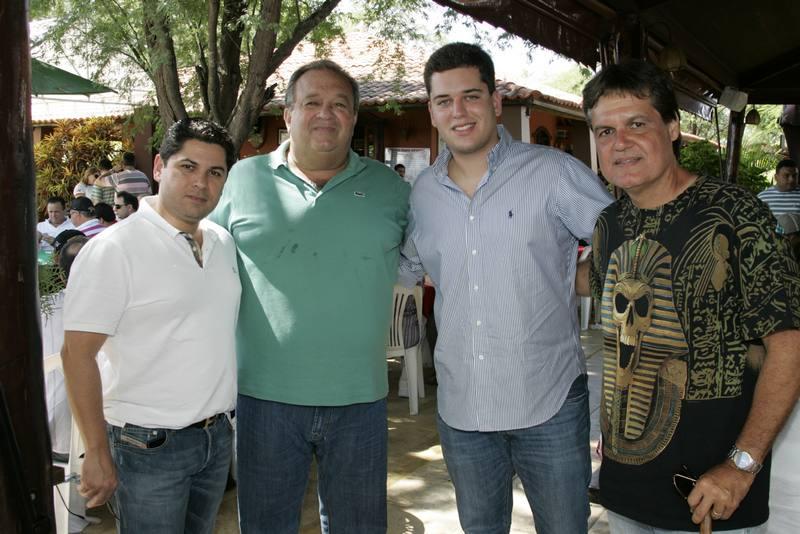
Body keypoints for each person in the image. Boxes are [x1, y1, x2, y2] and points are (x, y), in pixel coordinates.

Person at [398, 43, 613, 533]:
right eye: (444, 100)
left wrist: (579, 276)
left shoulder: (553, 173)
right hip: (463, 410)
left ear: (495, 102)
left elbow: (623, 244)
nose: (459, 111)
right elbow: (407, 267)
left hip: (549, 403)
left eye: (471, 96)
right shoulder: (422, 194)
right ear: (431, 111)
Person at [581, 59, 800, 533]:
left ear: (672, 127)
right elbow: (620, 345)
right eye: (605, 131)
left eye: (637, 124)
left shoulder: (737, 214)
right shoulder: (608, 225)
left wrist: (742, 465)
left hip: (713, 497)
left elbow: (789, 344)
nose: (620, 143)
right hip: (625, 491)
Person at [210, 59, 409, 533]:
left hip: (359, 398)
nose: (326, 113)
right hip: (264, 399)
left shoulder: (391, 189)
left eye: (339, 105)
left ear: (354, 117)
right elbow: (198, 262)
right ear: (288, 114)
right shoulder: (242, 179)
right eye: (312, 102)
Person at [60, 118, 240, 534]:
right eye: (188, 167)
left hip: (215, 439)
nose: (201, 183)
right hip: (146, 447)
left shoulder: (222, 242)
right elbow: (77, 355)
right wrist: (96, 451)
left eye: (215, 173)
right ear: (159, 167)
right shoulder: (113, 250)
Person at [756, 159, 800, 227]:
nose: (791, 179)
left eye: (794, 176)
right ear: (776, 177)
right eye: (787, 175)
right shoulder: (762, 197)